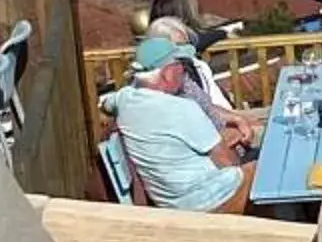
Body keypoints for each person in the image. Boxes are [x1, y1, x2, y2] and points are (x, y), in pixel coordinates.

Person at [108, 33, 260, 213]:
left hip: (171, 202)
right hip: (211, 202)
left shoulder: (124, 99)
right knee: (267, 169)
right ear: (167, 73)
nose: (184, 70)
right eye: (180, 65)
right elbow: (227, 163)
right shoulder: (182, 108)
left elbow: (106, 104)